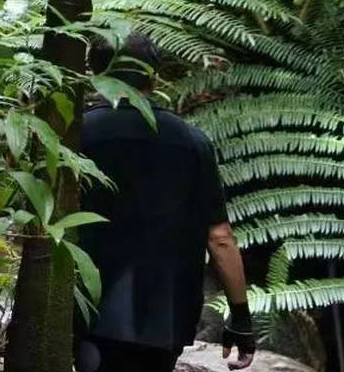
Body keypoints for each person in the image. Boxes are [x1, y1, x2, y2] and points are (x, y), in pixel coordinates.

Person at [74, 31, 258, 372]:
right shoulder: (192, 141)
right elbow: (219, 236)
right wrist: (241, 317)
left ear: (95, 72)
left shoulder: (77, 133)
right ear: (152, 76)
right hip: (166, 317)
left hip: (90, 311)